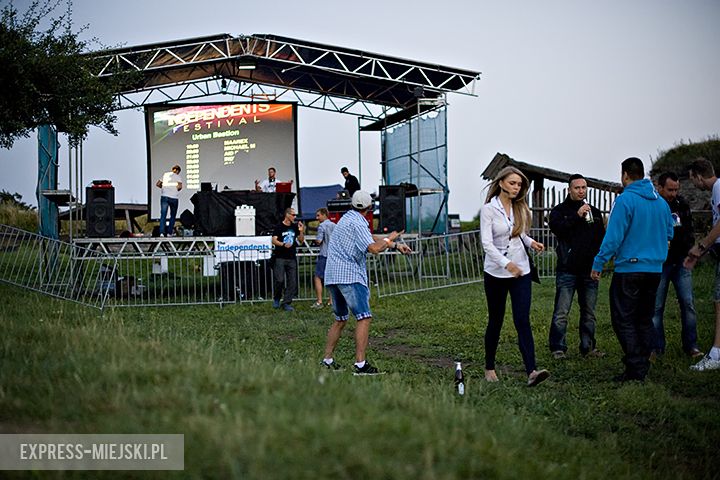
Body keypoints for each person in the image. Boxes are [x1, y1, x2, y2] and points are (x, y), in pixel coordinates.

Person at [591, 158, 674, 382]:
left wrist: (599, 262)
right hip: (655, 269)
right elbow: (670, 231)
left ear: (625, 174)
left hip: (629, 268)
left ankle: (636, 367)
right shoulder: (661, 202)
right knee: (644, 318)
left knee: (623, 319)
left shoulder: (625, 200)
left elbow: (613, 237)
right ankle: (642, 363)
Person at [321, 190, 412, 375]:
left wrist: (395, 245)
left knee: (340, 319)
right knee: (364, 317)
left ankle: (327, 360)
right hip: (350, 276)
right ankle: (360, 365)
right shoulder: (358, 222)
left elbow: (368, 238)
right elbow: (373, 248)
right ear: (370, 208)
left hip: (332, 275)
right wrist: (390, 238)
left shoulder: (347, 219)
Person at [480, 166, 549, 387]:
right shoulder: (489, 210)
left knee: (522, 320)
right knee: (496, 321)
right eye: (512, 183)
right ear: (501, 183)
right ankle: (489, 366)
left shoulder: (521, 208)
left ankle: (532, 371)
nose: (516, 188)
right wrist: (506, 263)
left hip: (521, 271)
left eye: (519, 184)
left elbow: (519, 233)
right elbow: (487, 244)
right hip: (496, 272)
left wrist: (531, 242)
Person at [548, 174, 606, 359]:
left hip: (589, 269)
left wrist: (598, 263)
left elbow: (600, 239)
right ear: (569, 190)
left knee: (589, 312)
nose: (581, 191)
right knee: (561, 312)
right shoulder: (559, 211)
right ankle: (558, 348)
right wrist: (576, 215)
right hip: (567, 269)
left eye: (584, 187)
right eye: (577, 188)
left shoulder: (595, 212)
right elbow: (558, 229)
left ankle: (587, 347)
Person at [652, 172, 702, 358]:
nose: (673, 193)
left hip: (681, 262)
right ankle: (656, 348)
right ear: (660, 187)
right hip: (660, 263)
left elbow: (689, 231)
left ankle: (691, 345)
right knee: (656, 307)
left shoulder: (682, 205)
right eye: (669, 190)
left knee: (688, 304)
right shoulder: (653, 206)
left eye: (676, 189)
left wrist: (689, 252)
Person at [684, 158, 720, 371]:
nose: (694, 185)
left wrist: (701, 246)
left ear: (698, 176)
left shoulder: (718, 187)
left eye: (693, 180)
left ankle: (716, 353)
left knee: (719, 300)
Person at [271, 207, 305, 311]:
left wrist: (301, 231)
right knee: (279, 280)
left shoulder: (294, 227)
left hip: (291, 257)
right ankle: (277, 298)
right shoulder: (279, 226)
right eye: (293, 215)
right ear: (287, 215)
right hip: (280, 257)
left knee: (292, 282)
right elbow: (274, 240)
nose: (294, 217)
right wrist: (283, 244)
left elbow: (301, 241)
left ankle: (286, 302)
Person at [312, 207, 335, 309]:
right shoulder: (334, 225)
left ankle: (319, 301)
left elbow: (319, 241)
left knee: (317, 277)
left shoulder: (322, 226)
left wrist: (315, 241)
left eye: (318, 215)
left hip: (324, 254)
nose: (317, 218)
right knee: (331, 278)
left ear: (324, 214)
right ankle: (331, 301)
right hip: (333, 255)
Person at [155, 164, 183, 237]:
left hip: (164, 196)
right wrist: (175, 189)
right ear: (178, 171)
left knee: (163, 215)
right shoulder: (178, 176)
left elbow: (158, 184)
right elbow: (180, 187)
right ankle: (169, 233)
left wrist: (164, 188)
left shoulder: (165, 175)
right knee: (172, 216)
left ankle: (161, 233)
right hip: (174, 197)